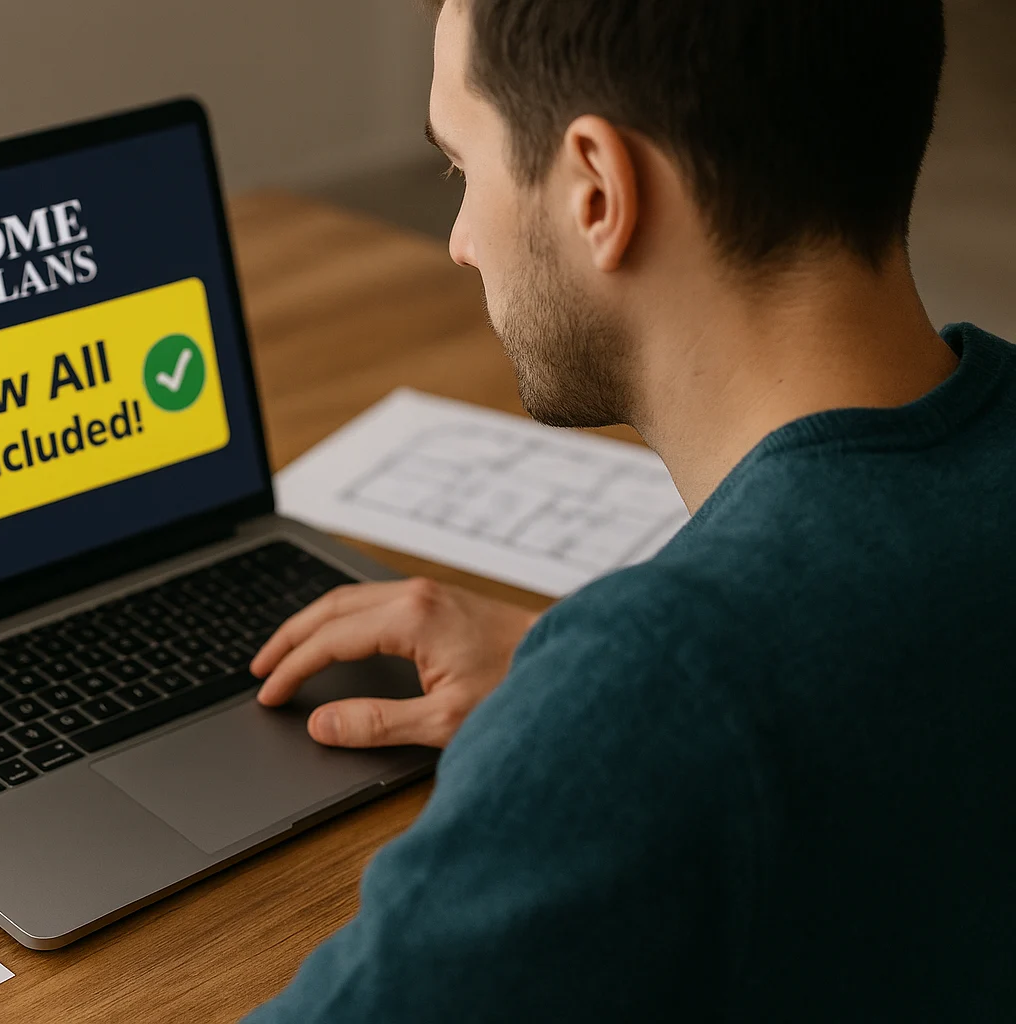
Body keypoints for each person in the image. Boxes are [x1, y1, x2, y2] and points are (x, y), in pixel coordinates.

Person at [244, 0, 1015, 1019]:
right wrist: (574, 672)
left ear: (598, 190)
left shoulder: (659, 696)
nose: (463, 242)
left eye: (460, 169)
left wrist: (606, 705)